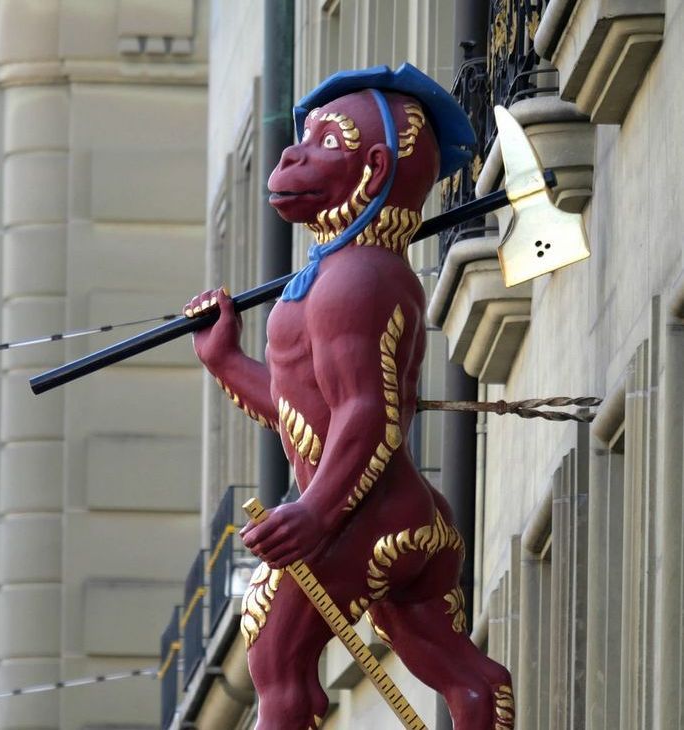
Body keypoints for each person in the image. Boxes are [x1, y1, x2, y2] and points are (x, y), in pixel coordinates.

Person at [186, 64, 513, 730]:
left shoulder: (356, 277)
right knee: (456, 671)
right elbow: (303, 410)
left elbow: (370, 414)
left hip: (362, 516)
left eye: (326, 142)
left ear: (373, 169)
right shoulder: (342, 274)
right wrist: (226, 361)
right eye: (304, 139)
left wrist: (314, 512)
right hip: (396, 515)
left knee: (275, 652)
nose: (293, 155)